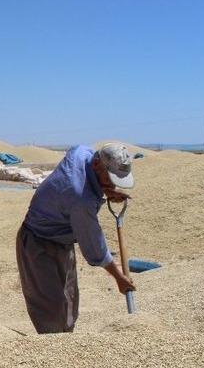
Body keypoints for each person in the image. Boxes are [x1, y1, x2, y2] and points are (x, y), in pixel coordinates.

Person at [16, 142, 137, 334]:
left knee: (69, 300)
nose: (113, 184)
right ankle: (51, 351)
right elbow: (94, 247)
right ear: (98, 164)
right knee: (51, 310)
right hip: (37, 241)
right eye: (111, 178)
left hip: (62, 240)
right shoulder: (80, 199)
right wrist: (118, 277)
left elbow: (80, 160)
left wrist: (106, 189)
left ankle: (68, 343)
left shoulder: (83, 153)